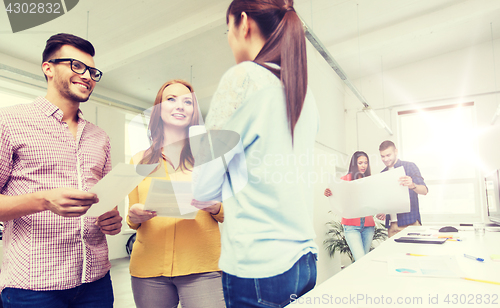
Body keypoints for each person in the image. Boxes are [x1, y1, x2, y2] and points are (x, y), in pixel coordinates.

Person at [191, 0, 318, 307]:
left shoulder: (243, 77)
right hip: (304, 260)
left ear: (243, 22)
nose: (229, 38)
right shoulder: (302, 91)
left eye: (228, 29)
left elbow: (203, 187)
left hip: (259, 265)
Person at [0, 33, 122, 308]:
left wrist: (112, 219)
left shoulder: (100, 137)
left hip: (97, 282)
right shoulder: (8, 121)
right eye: (76, 66)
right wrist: (42, 200)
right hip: (33, 287)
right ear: (48, 68)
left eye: (92, 71)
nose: (87, 75)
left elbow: (106, 201)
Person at [126, 80, 225, 308]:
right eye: (171, 99)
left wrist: (216, 206)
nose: (180, 105)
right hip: (148, 269)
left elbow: (232, 210)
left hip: (202, 267)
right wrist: (135, 216)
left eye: (187, 101)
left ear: (194, 111)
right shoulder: (138, 161)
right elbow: (131, 219)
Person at [324, 151, 375, 261]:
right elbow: (336, 195)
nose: (363, 165)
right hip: (351, 226)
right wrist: (329, 192)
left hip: (368, 225)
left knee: (363, 261)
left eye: (366, 163)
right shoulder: (345, 179)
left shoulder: (370, 180)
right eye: (360, 162)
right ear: (354, 164)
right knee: (360, 260)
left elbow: (375, 200)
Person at [376, 140, 428, 237]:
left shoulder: (409, 166)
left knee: (414, 252)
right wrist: (382, 210)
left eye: (388, 155)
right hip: (392, 226)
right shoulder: (382, 174)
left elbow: (424, 190)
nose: (385, 159)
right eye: (383, 156)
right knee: (394, 253)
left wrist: (412, 185)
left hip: (410, 223)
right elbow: (387, 199)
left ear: (396, 151)